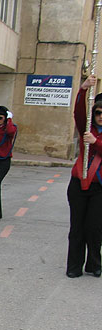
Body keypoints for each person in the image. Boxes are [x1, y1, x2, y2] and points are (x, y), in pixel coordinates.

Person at [67, 75, 102, 278]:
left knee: (94, 229)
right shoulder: (86, 128)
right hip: (78, 185)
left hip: (99, 188)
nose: (100, 116)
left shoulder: (93, 136)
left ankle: (94, 264)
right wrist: (83, 89)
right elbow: (78, 113)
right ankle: (74, 266)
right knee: (77, 228)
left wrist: (95, 142)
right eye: (97, 112)